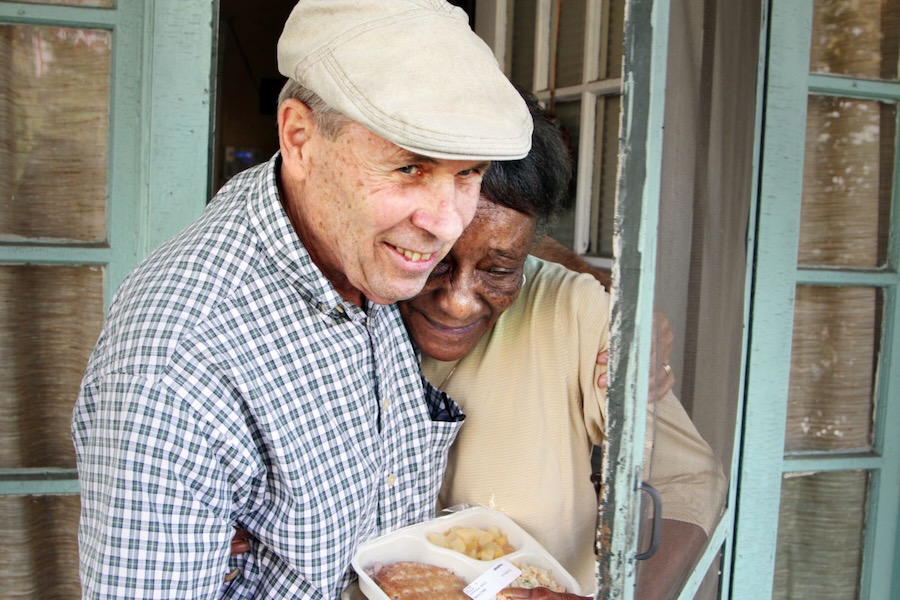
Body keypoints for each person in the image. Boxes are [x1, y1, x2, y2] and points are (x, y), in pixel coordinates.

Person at [71, 1, 533, 597]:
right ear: (299, 137)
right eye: (409, 167)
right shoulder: (181, 360)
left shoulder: (364, 248)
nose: (446, 224)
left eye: (468, 173)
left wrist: (605, 312)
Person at [397, 91, 727, 598]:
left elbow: (686, 482)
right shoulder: (339, 307)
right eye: (434, 259)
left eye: (500, 270)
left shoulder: (572, 312)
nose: (460, 303)